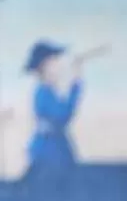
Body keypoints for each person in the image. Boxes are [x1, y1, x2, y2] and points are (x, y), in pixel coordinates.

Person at [22, 40, 83, 174]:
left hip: (52, 147)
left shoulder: (46, 90)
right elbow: (62, 115)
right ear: (44, 65)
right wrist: (76, 86)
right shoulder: (43, 92)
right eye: (55, 61)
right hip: (49, 149)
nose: (59, 66)